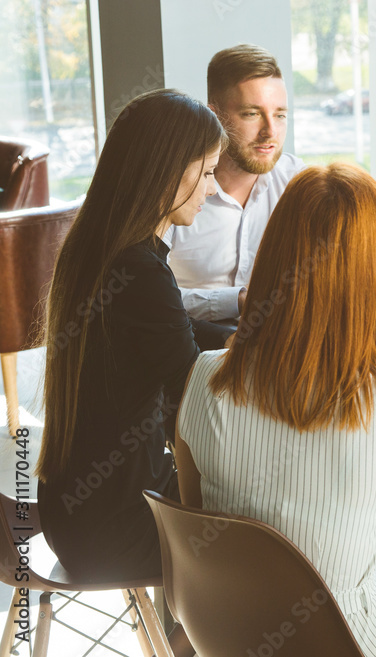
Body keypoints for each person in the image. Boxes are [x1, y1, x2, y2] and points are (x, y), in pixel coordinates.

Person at [173, 163, 376, 656]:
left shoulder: (203, 375)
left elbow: (199, 514)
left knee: (362, 500)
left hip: (222, 630)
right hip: (349, 641)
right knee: (374, 499)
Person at [35, 89, 226, 656]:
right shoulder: (139, 269)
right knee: (272, 524)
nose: (214, 189)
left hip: (71, 514)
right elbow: (198, 396)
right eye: (208, 172)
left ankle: (187, 639)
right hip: (115, 527)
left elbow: (167, 343)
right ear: (170, 172)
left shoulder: (97, 251)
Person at [164, 43, 304, 329]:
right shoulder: (173, 190)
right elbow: (144, 296)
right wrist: (237, 300)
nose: (270, 132)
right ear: (213, 115)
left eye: (279, 115)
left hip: (279, 353)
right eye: (252, 114)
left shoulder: (298, 183)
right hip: (190, 355)